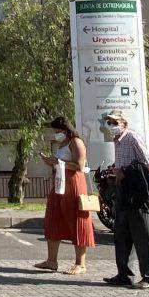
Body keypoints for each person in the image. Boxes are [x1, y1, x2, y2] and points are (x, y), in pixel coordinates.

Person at [99, 109, 149, 290]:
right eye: (109, 122)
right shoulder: (117, 141)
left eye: (114, 122)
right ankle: (124, 274)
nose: (111, 125)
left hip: (137, 194)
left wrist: (124, 172)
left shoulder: (132, 138)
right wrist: (114, 171)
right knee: (122, 234)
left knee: (142, 235)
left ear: (124, 124)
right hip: (122, 192)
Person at [34, 117, 94, 274]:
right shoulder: (62, 143)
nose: (56, 134)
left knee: (76, 219)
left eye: (58, 131)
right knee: (53, 218)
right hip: (59, 183)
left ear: (66, 129)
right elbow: (60, 162)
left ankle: (80, 263)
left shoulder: (76, 142)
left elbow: (80, 165)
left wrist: (59, 161)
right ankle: (51, 261)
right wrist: (51, 162)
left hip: (73, 183)